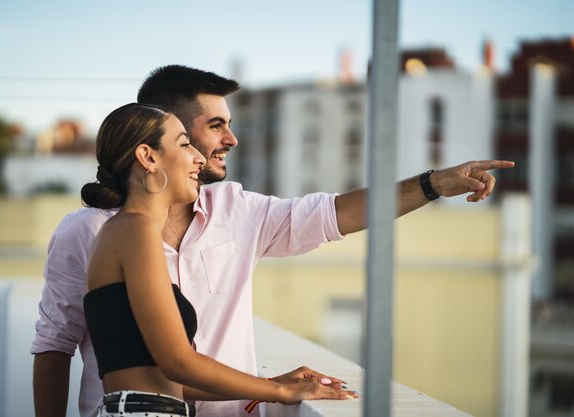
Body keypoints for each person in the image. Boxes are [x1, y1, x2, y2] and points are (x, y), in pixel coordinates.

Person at [32, 65, 515, 417]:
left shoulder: (239, 210)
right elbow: (61, 345)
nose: (232, 138)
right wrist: (276, 388)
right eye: (215, 125)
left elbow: (338, 212)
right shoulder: (94, 230)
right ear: (160, 139)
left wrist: (433, 184)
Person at [80, 103, 353, 417]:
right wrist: (281, 391)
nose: (198, 158)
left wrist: (264, 384)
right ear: (148, 157)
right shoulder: (135, 230)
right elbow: (177, 362)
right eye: (184, 144)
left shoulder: (123, 232)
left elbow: (158, 376)